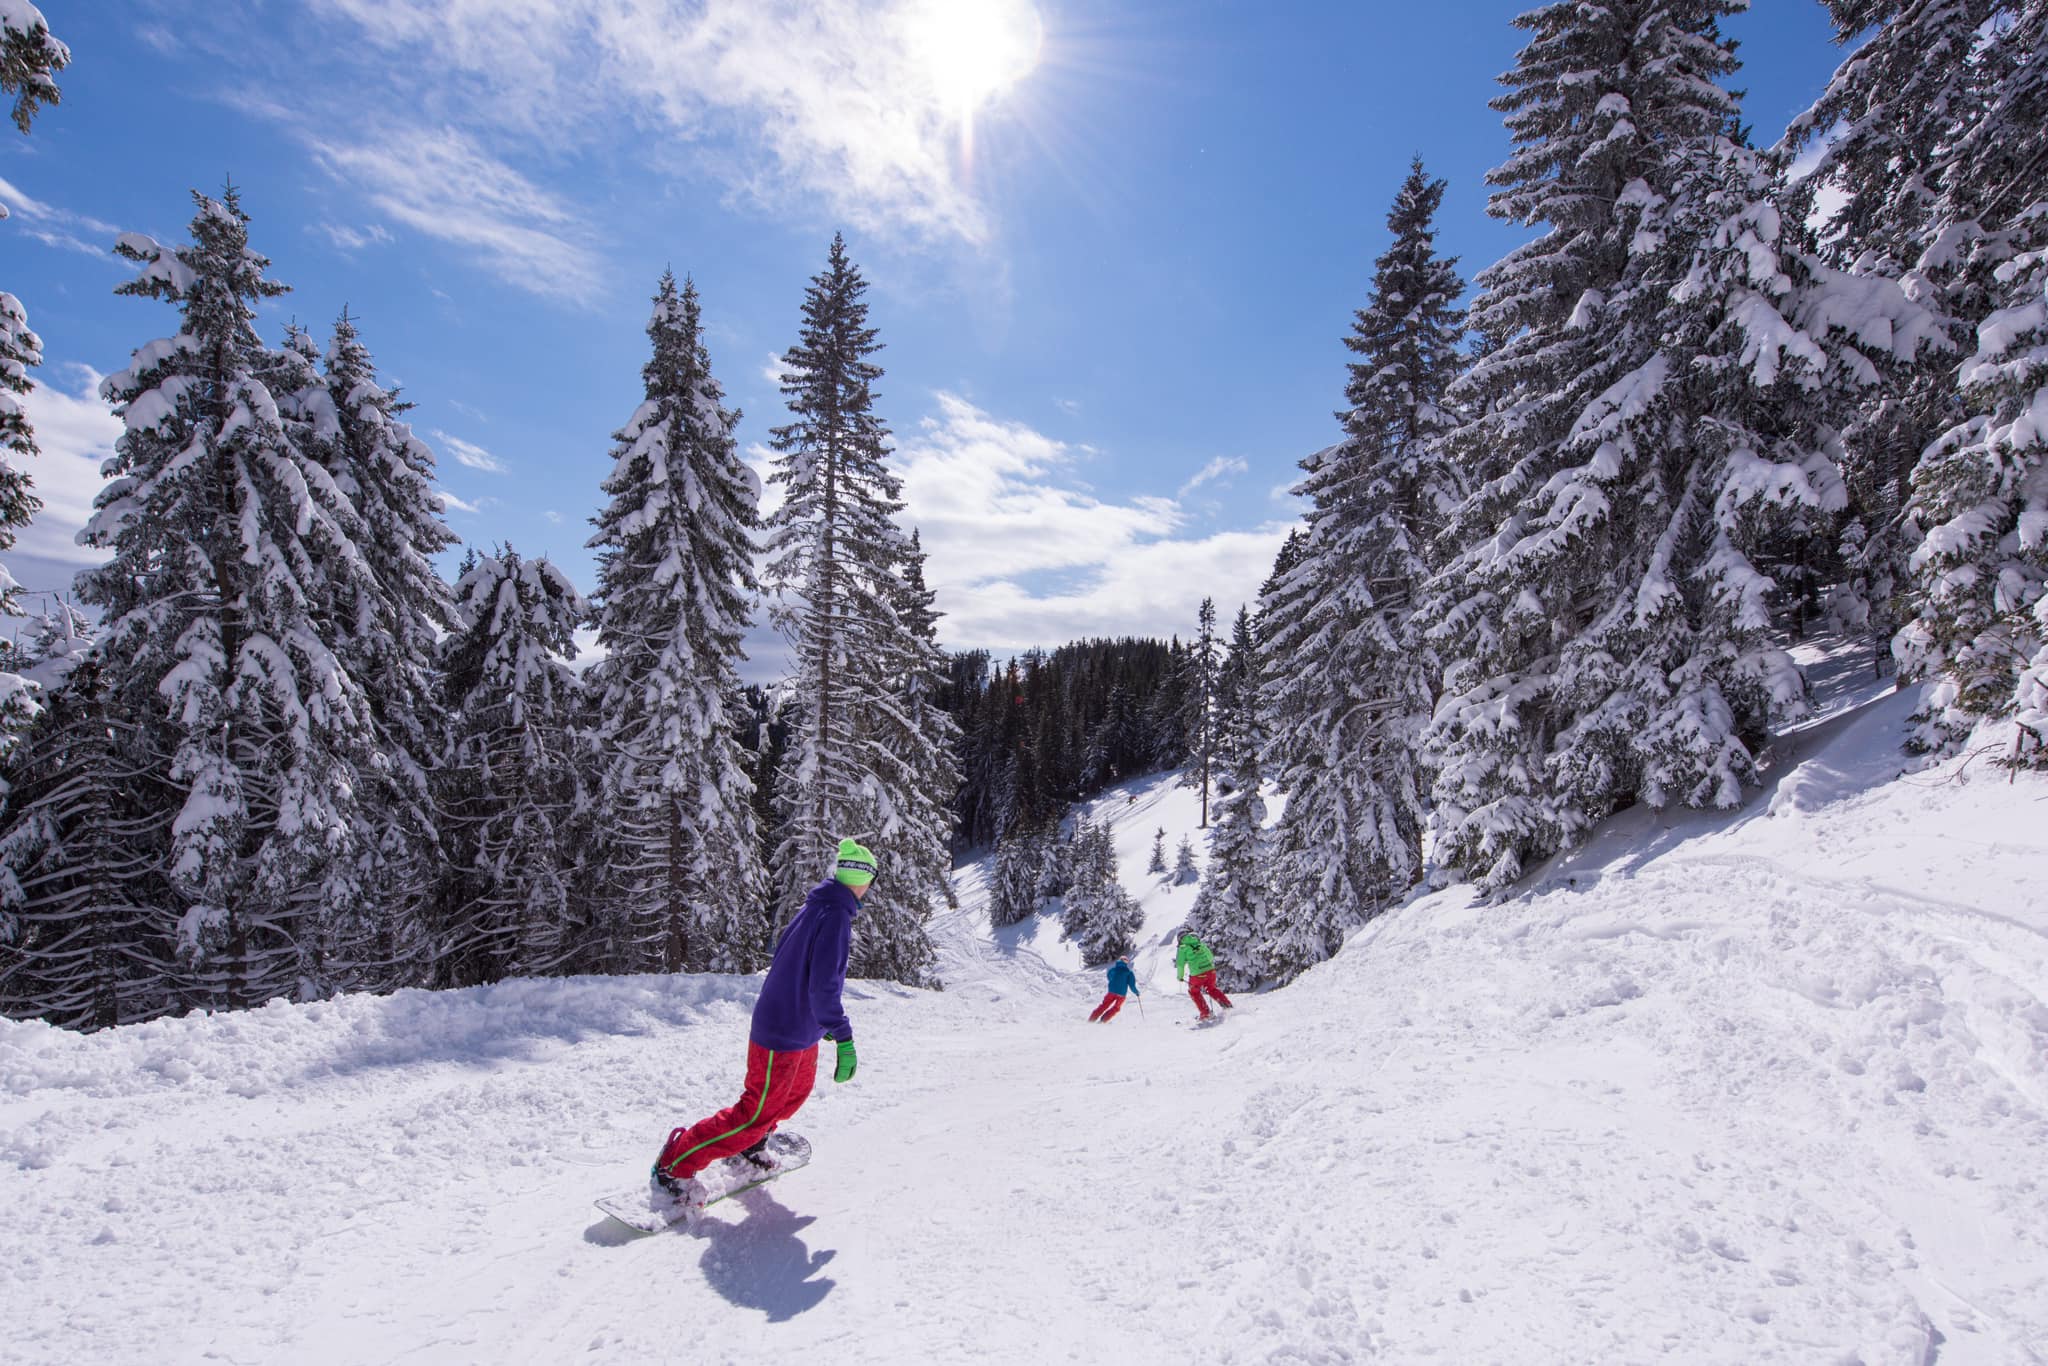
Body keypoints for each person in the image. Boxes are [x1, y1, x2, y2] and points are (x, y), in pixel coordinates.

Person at [650, 838, 875, 1204]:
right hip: (782, 1031)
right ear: (862, 880)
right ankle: (675, 1162)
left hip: (800, 1029)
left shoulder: (823, 905)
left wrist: (824, 1023)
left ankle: (752, 1145)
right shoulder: (833, 915)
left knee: (791, 1099)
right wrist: (843, 1034)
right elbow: (824, 986)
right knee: (753, 1112)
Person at [1175, 930, 1233, 1020]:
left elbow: (1180, 964)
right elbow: (1210, 957)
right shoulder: (1200, 943)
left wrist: (1180, 976)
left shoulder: (1182, 948)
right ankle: (1227, 1005)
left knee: (1194, 992)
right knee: (1212, 989)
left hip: (1197, 975)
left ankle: (1206, 1013)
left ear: (1180, 940)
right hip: (1210, 971)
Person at [1088, 955, 1139, 1021]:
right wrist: (1136, 992)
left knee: (1104, 1005)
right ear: (1126, 962)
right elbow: (1132, 985)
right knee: (1116, 1007)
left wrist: (1113, 983)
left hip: (1111, 992)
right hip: (1121, 994)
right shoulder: (1129, 972)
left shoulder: (1112, 970)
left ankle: (1092, 1019)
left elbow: (1109, 976)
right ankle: (1104, 1020)